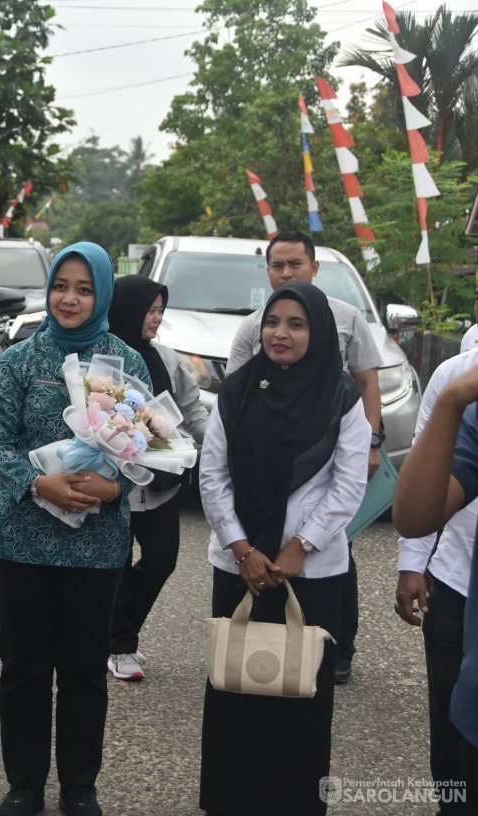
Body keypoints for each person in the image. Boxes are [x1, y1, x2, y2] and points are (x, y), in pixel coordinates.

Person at [0, 242, 151, 816]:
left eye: (83, 288)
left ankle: (80, 784)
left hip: (96, 544)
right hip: (21, 541)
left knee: (84, 671)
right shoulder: (19, 360)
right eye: (61, 287)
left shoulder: (126, 363)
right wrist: (38, 482)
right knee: (24, 667)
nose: (70, 298)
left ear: (101, 292)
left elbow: (146, 446)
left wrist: (117, 488)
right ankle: (24, 783)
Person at [199, 282, 369, 816]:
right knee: (235, 683)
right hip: (239, 563)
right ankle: (231, 799)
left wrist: (300, 545)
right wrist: (242, 547)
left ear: (317, 334)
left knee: (301, 691)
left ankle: (296, 801)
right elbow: (212, 474)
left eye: (297, 324)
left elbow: (347, 485)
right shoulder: (239, 389)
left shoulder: (342, 397)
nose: (281, 333)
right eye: (274, 321)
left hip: (311, 571)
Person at [225, 230, 383, 684]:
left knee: (335, 549)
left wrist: (371, 443)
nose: (287, 272)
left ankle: (336, 647)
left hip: (328, 453)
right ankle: (255, 656)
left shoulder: (346, 318)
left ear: (315, 267)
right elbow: (234, 400)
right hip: (263, 460)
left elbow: (366, 384)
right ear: (268, 271)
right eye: (278, 265)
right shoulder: (253, 325)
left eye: (296, 263)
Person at [105, 275, 208, 681]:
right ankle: (119, 645)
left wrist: (220, 443)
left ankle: (119, 635)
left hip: (161, 485)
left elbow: (192, 410)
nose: (157, 318)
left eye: (161, 310)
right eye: (150, 310)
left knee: (161, 561)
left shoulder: (167, 358)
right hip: (116, 486)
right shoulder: (104, 357)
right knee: (115, 567)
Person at [395, 346, 478, 815]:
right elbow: (415, 514)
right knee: (453, 769)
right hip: (457, 584)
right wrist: (452, 401)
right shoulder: (461, 383)